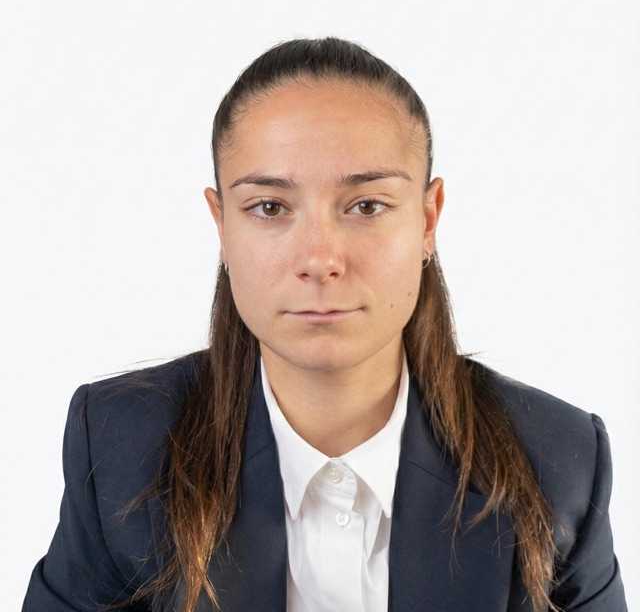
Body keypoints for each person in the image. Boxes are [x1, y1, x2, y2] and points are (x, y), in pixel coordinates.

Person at [21, 37, 628, 612]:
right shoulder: (123, 448)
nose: (320, 259)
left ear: (427, 219)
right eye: (269, 207)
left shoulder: (555, 461)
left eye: (366, 206)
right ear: (222, 224)